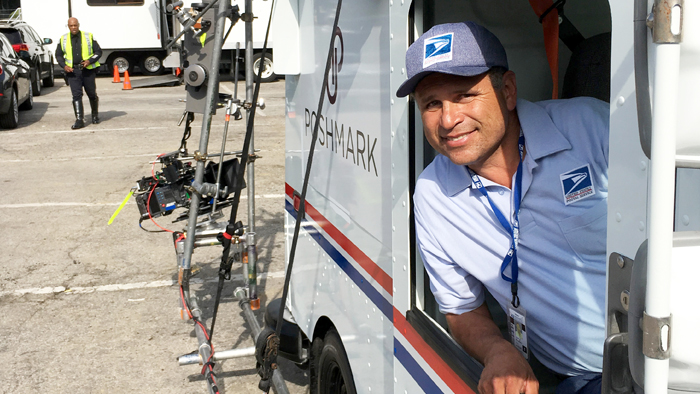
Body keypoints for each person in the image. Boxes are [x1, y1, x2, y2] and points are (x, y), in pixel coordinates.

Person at [396, 22, 609, 394]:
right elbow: (461, 308)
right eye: (432, 103)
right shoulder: (432, 196)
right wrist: (498, 351)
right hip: (582, 380)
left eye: (464, 96)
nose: (448, 120)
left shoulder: (593, 129)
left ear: (507, 90)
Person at [56, 17, 102, 129]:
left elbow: (98, 52)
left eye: (75, 25)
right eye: (71, 26)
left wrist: (89, 61)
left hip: (88, 71)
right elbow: (58, 55)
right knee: (76, 95)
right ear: (68, 26)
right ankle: (79, 119)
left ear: (78, 25)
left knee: (91, 94)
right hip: (73, 72)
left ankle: (95, 115)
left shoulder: (88, 36)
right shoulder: (63, 39)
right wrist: (64, 66)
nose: (73, 28)